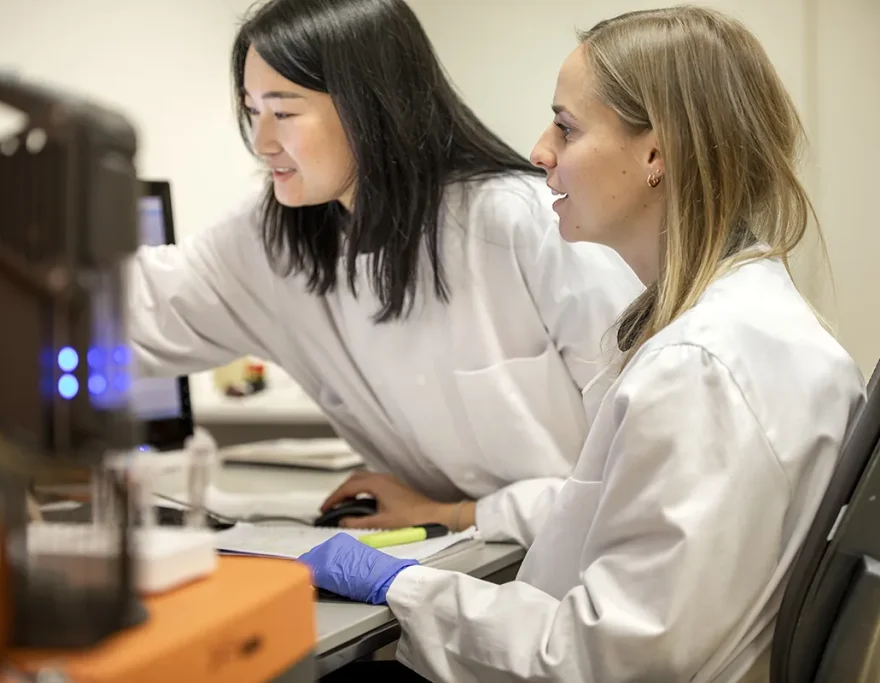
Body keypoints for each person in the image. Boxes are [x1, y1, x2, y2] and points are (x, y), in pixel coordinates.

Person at [298, 6, 866, 682]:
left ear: (657, 153)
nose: (539, 150)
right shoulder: (751, 323)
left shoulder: (701, 368)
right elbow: (604, 504)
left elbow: (603, 658)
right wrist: (452, 511)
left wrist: (404, 588)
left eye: (566, 127)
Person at [129, 0, 641, 542]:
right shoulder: (276, 238)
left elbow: (646, 472)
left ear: (369, 107)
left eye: (283, 112)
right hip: (456, 561)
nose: (262, 142)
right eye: (252, 111)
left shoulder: (527, 224)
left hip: (582, 561)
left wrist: (460, 515)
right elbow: (134, 305)